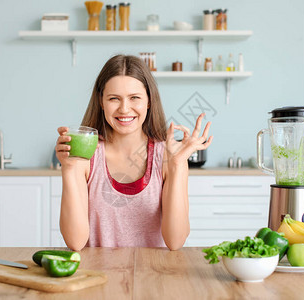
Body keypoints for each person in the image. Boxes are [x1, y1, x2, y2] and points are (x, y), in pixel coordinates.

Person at [55, 55, 213, 251]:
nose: (124, 109)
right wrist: (68, 169)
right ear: (101, 102)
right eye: (114, 98)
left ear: (148, 101)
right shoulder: (85, 157)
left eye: (134, 98)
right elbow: (75, 242)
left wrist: (177, 166)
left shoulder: (167, 156)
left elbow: (175, 241)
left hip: (154, 275)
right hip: (98, 277)